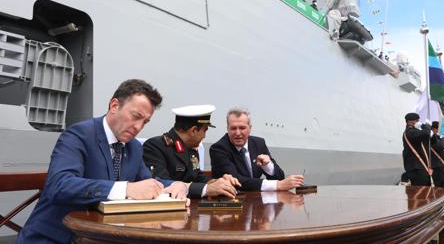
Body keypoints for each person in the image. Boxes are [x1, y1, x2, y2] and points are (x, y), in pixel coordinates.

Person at [16, 79, 188, 244]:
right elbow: (59, 185)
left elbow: (147, 182)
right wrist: (126, 188)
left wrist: (175, 186)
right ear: (114, 106)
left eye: (145, 121)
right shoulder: (78, 135)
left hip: (100, 236)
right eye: (136, 116)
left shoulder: (134, 147)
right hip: (56, 237)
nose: (138, 127)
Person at [143, 104, 240, 199]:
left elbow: (198, 177)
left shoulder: (191, 148)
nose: (204, 136)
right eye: (204, 130)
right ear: (193, 130)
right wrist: (206, 189)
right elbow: (161, 184)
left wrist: (219, 183)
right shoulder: (155, 147)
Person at [210, 107, 304, 191]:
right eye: (233, 128)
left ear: (250, 129)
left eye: (242, 128)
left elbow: (280, 177)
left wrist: (267, 166)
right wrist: (277, 185)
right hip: (232, 204)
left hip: (256, 203)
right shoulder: (218, 149)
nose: (238, 133)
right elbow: (236, 181)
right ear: (227, 129)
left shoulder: (258, 143)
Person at [402, 112, 434, 186]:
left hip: (420, 166)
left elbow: (426, 135)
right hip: (416, 168)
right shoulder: (409, 132)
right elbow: (426, 133)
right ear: (410, 121)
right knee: (420, 193)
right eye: (417, 121)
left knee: (425, 192)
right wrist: (426, 126)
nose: (418, 122)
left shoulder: (415, 131)